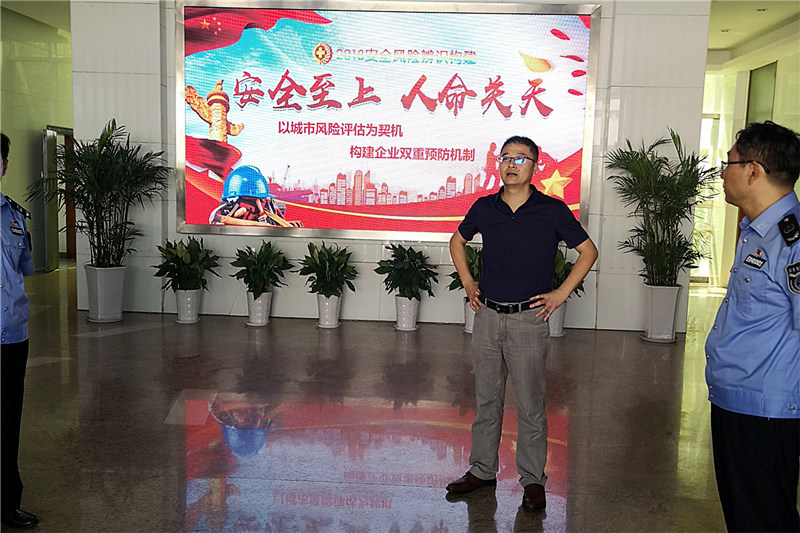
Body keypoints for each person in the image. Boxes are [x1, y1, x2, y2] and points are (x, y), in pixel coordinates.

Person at [446, 135, 597, 510]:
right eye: (505, 157)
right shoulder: (485, 207)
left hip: (528, 321)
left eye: (520, 158)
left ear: (535, 166)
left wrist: (560, 294)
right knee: (487, 401)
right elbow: (456, 241)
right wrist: (468, 282)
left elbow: (588, 252)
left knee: (530, 406)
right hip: (487, 317)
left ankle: (532, 480)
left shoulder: (552, 210)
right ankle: (482, 471)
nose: (511, 164)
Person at [705, 121, 800, 532]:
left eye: (727, 164)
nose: (722, 174)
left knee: (765, 520)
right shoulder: (756, 230)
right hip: (736, 400)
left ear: (753, 170)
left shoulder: (792, 240)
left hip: (766, 410)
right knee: (745, 518)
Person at [1, 133, 39, 529]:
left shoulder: (14, 216)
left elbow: (23, 268)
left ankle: (8, 502)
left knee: (8, 421)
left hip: (12, 335)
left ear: (4, 166)